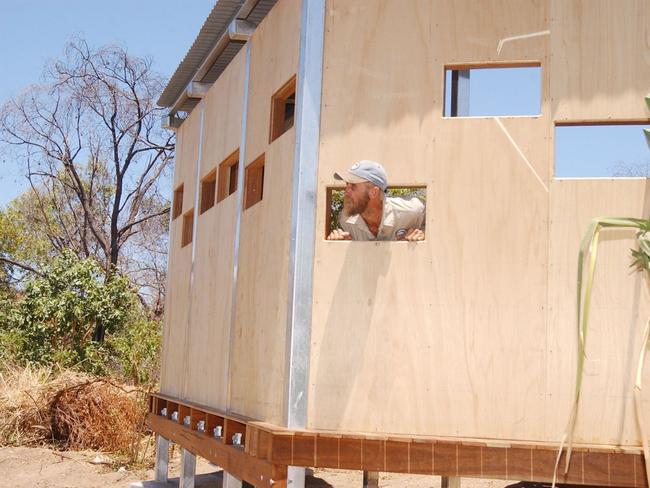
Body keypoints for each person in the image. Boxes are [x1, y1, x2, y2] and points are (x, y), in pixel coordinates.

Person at [327, 160, 425, 241]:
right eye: (346, 185)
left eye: (353, 186)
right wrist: (340, 244)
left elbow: (436, 222)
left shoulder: (412, 210)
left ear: (373, 192)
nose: (346, 191)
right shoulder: (345, 220)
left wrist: (423, 234)